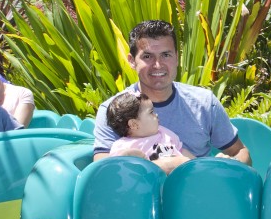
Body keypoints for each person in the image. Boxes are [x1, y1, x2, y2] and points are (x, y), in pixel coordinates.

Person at [93, 20, 251, 173]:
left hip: (195, 191)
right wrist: (164, 166)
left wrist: (230, 164)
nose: (157, 65)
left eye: (166, 55)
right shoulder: (115, 110)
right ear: (132, 61)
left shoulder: (204, 102)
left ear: (176, 57)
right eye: (147, 56)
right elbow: (103, 172)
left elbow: (241, 152)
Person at [106, 92, 193, 164]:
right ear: (134, 124)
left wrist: (196, 163)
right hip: (149, 181)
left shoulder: (164, 133)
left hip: (178, 177)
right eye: (151, 112)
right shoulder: (123, 146)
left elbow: (181, 151)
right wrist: (125, 157)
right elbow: (115, 169)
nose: (156, 114)